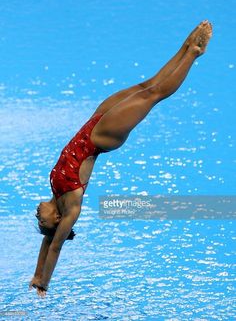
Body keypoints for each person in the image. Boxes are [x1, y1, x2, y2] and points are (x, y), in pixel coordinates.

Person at [29, 20, 212, 297]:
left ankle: (186, 46)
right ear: (56, 218)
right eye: (41, 222)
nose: (36, 217)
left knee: (146, 85)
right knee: (153, 95)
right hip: (101, 137)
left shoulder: (56, 194)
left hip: (93, 123)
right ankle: (194, 53)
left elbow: (46, 243)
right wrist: (44, 283)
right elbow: (55, 245)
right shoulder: (70, 208)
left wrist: (35, 272)